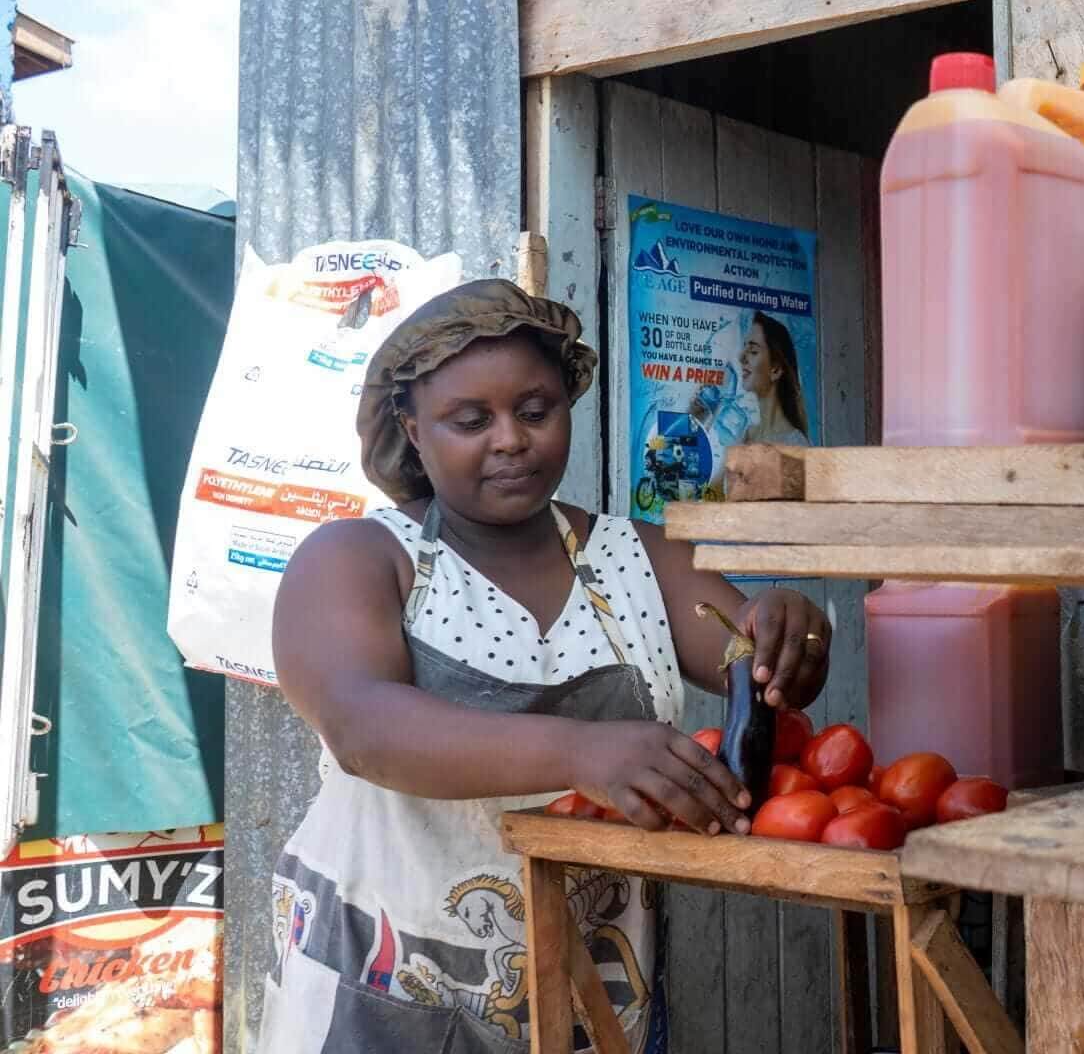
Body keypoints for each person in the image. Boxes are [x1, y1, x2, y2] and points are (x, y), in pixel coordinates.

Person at [256, 280, 832, 1054]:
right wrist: (583, 751)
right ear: (413, 430)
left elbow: (753, 661)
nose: (511, 440)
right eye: (471, 421)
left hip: (592, 990)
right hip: (383, 988)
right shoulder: (358, 558)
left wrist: (789, 632)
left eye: (536, 411)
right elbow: (362, 726)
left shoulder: (640, 558)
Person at [737, 311, 810, 447]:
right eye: (744, 348)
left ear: (775, 370)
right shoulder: (747, 434)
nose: (741, 357)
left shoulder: (795, 444)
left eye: (753, 351)